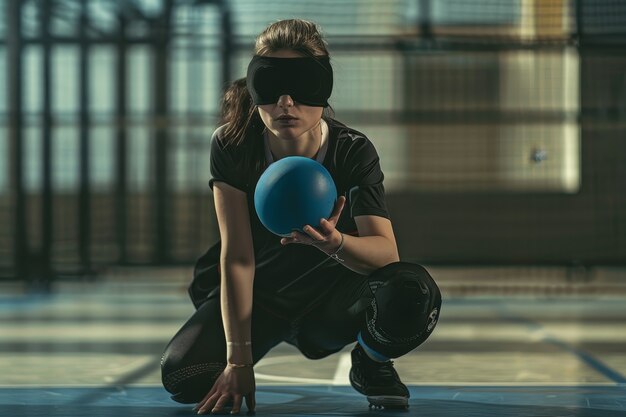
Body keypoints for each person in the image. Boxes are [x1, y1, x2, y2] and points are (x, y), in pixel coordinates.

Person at [160, 19, 442, 415]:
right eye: (272, 86)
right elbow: (237, 257)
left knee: (413, 291)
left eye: (302, 85)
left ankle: (371, 362)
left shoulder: (352, 150)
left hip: (329, 305)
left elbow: (386, 257)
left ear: (323, 88)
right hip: (262, 299)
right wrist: (237, 361)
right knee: (183, 378)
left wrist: (336, 244)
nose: (286, 103)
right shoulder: (233, 143)